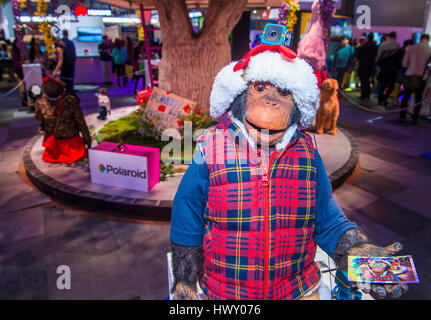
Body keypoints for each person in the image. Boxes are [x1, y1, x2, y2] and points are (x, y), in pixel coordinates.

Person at [35, 76, 91, 164]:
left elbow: (38, 118)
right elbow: (80, 122)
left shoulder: (40, 102)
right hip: (71, 143)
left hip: (53, 141)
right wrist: (88, 140)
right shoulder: (70, 100)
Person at [399, 34, 431, 124]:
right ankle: (415, 118)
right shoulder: (429, 50)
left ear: (420, 39)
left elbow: (404, 63)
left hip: (409, 76)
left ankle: (402, 116)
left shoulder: (411, 48)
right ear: (428, 40)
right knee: (418, 99)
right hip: (422, 78)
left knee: (406, 97)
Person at [356, 33, 378, 100]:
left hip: (363, 66)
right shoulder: (375, 46)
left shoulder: (364, 46)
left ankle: (363, 95)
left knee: (363, 81)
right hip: (371, 66)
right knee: (368, 81)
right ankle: (367, 95)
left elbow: (359, 56)